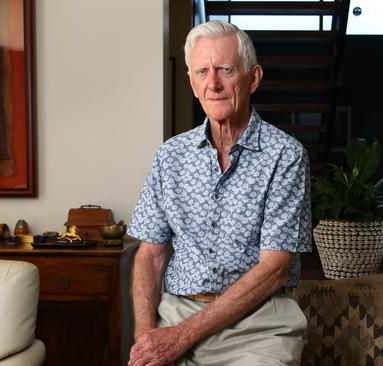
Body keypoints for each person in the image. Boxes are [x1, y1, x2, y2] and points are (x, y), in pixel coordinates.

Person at [127, 20, 311, 366]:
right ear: (192, 83)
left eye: (225, 70)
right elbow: (150, 256)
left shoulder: (286, 156)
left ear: (253, 78)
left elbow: (274, 270)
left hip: (260, 325)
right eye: (202, 71)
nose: (213, 84)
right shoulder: (170, 156)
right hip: (177, 314)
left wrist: (180, 337)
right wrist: (146, 338)